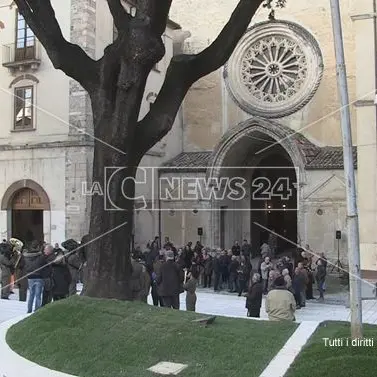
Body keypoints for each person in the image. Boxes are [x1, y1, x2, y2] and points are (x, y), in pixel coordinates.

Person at [23, 241, 47, 313]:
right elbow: (44, 264)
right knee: (38, 294)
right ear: (38, 247)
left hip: (30, 276)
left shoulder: (26, 256)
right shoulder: (40, 256)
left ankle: (29, 309)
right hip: (39, 276)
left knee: (31, 294)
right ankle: (37, 309)